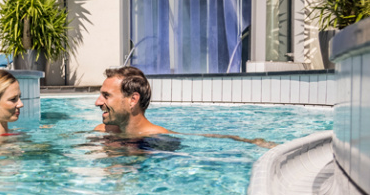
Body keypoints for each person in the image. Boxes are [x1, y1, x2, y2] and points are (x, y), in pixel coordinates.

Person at [94, 66, 277, 148]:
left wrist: (252, 142)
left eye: (106, 96)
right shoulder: (102, 131)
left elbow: (204, 139)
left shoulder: (160, 139)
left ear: (132, 100)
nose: (98, 102)